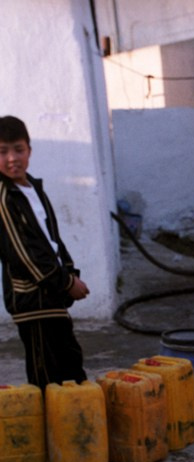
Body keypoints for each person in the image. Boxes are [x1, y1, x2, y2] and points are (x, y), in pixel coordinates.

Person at [0, 116, 89, 391]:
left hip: (52, 294)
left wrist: (70, 271)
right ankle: (50, 429)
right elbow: (24, 254)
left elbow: (52, 241)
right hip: (32, 299)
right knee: (46, 375)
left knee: (71, 363)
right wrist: (66, 282)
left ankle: (76, 424)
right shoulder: (4, 197)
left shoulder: (33, 188)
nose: (12, 158)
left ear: (29, 150)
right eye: (2, 152)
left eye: (19, 149)